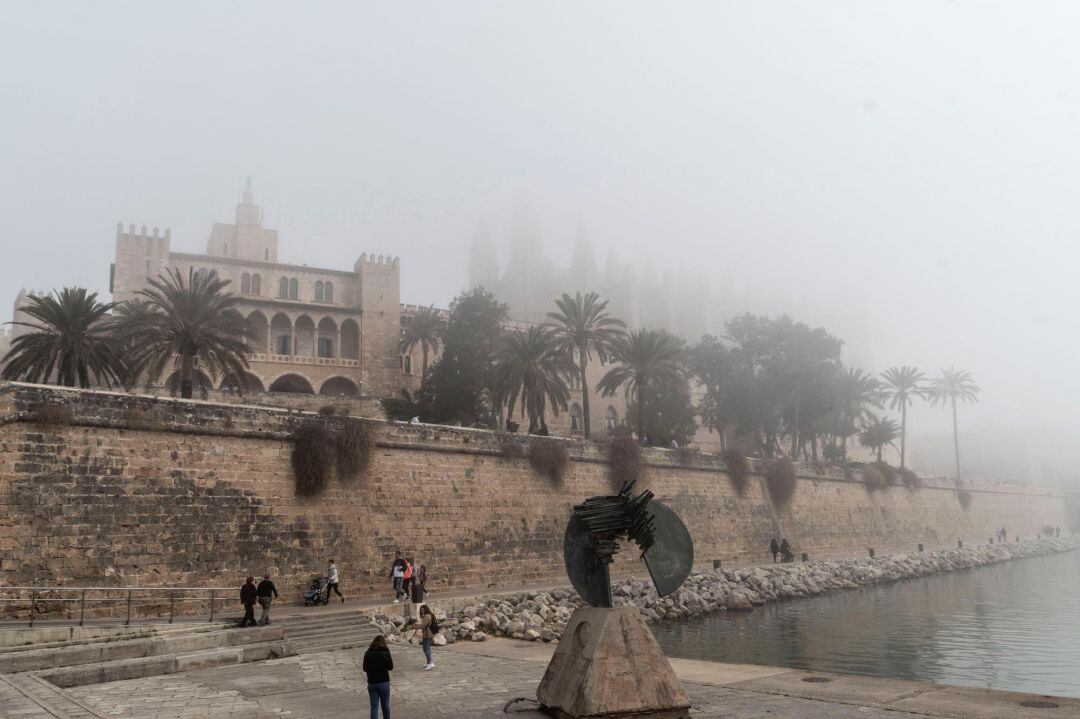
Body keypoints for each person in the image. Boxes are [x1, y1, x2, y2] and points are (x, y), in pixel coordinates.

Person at [362, 635, 394, 719]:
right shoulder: (385, 652)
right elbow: (390, 667)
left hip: (372, 683)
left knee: (374, 706)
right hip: (383, 682)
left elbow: (364, 668)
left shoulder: (368, 653)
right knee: (385, 704)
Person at [418, 604, 436, 670]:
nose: (422, 611)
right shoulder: (428, 615)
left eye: (423, 609)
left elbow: (423, 626)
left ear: (426, 609)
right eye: (421, 609)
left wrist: (415, 626)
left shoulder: (427, 616)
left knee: (425, 649)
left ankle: (430, 663)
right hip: (429, 634)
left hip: (428, 634)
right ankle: (429, 663)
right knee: (427, 648)